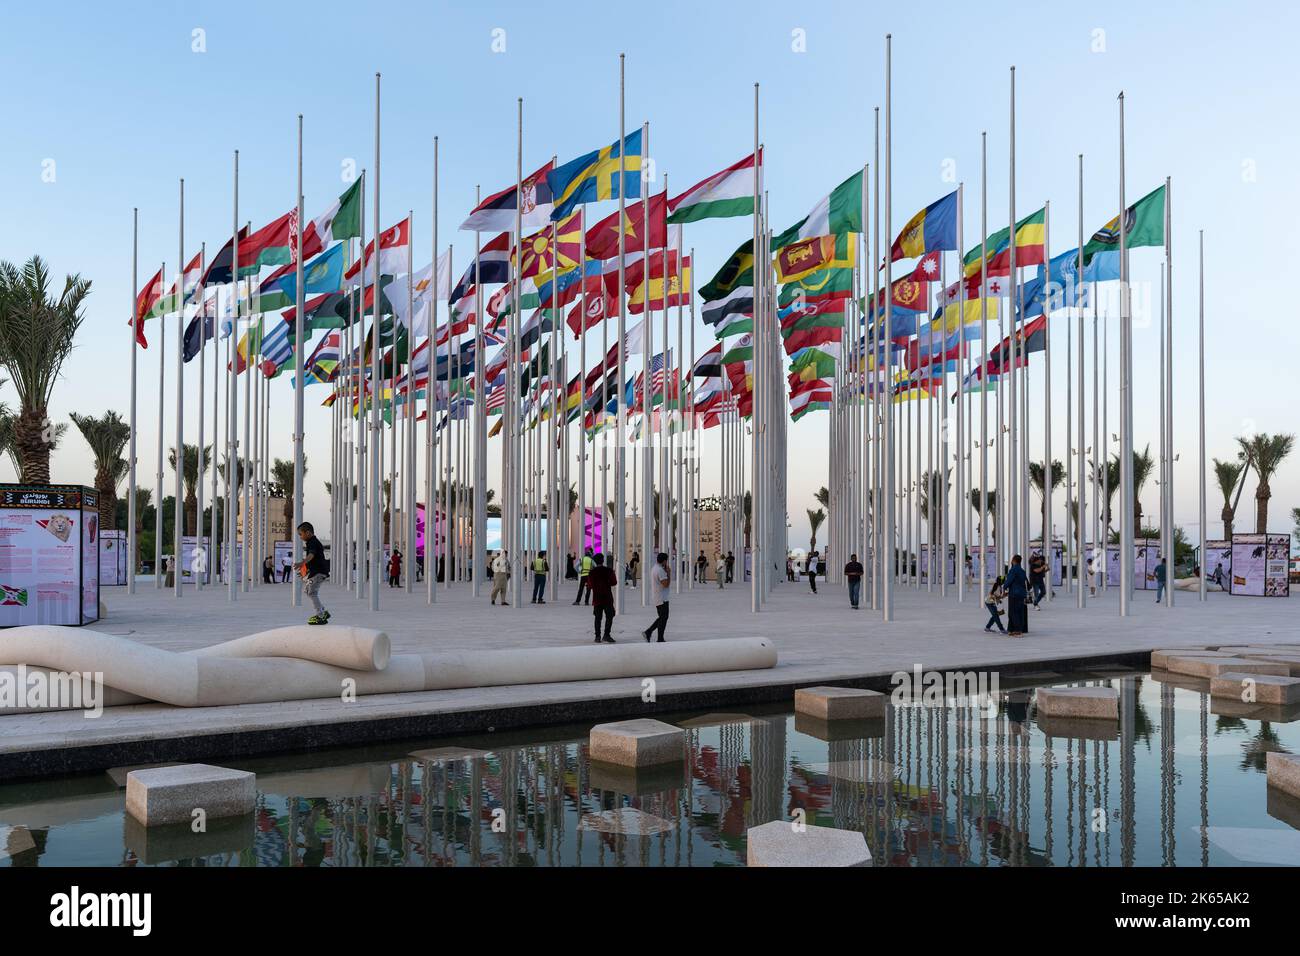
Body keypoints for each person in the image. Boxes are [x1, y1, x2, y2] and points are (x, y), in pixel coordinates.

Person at [299, 522, 330, 625]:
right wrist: (305, 571)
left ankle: (321, 616)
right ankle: (323, 612)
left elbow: (311, 555)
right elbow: (314, 559)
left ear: (307, 533)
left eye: (300, 534)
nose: (300, 537)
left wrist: (302, 563)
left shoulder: (312, 542)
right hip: (318, 572)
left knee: (311, 592)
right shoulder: (313, 542)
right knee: (309, 591)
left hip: (318, 572)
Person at [587, 552, 617, 644]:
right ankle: (606, 635)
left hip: (597, 598)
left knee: (597, 617)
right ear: (603, 561)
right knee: (610, 616)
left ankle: (597, 636)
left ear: (595, 561)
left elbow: (590, 585)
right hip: (607, 597)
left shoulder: (592, 572)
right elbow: (614, 582)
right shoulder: (609, 571)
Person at [643, 552, 671, 643]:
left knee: (662, 617)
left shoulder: (655, 568)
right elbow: (666, 584)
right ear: (664, 561)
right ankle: (657, 636)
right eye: (666, 560)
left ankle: (650, 633)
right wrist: (668, 573)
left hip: (658, 597)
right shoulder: (660, 571)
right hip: (662, 598)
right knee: (663, 618)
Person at [1005, 554, 1029, 636]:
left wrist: (1004, 587)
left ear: (1014, 560)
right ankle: (1012, 630)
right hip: (1022, 594)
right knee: (1019, 611)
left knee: (1013, 612)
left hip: (1014, 593)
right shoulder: (1022, 571)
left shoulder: (1013, 570)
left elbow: (1009, 581)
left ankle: (1017, 630)